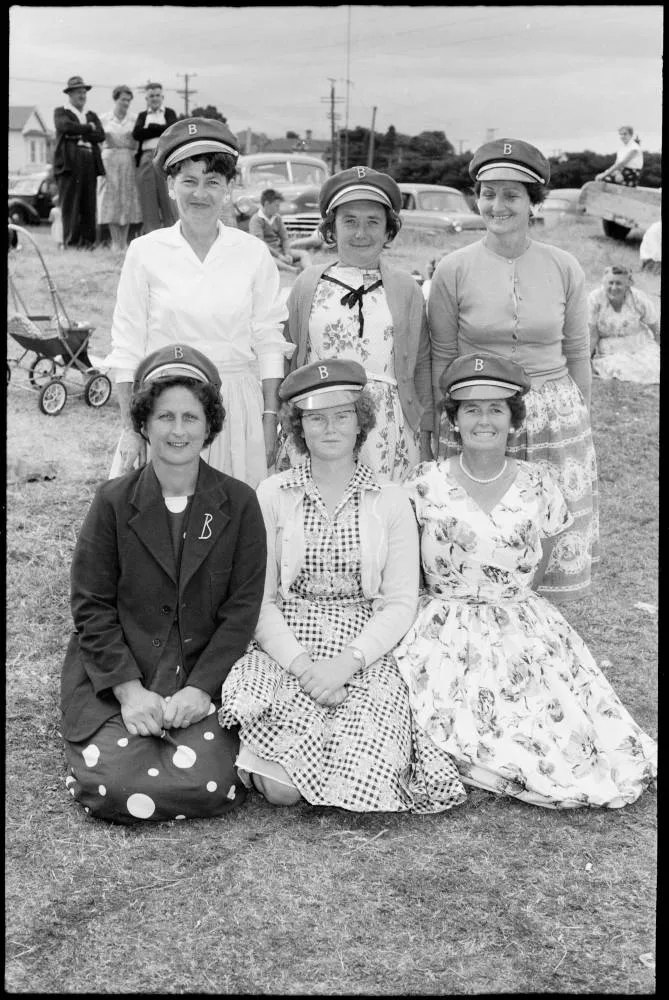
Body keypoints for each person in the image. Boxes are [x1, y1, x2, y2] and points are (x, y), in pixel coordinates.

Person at [394, 353, 657, 809]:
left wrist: (504, 603)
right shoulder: (422, 484)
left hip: (521, 623)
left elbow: (540, 563)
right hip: (441, 627)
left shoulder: (539, 482)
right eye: (470, 409)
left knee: (553, 727)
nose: (483, 420)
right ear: (453, 420)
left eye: (496, 408)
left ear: (513, 420)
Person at [218, 359, 466, 812]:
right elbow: (260, 597)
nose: (329, 428)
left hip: (362, 646)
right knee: (281, 791)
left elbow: (398, 603)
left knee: (365, 776)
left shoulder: (390, 499)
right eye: (315, 418)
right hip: (287, 643)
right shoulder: (272, 494)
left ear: (361, 423)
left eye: (342, 416)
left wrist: (344, 666)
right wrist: (304, 667)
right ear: (299, 427)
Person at [60, 344, 267, 823]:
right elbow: (90, 605)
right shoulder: (113, 501)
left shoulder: (239, 503)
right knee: (113, 783)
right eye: (165, 417)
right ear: (144, 424)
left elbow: (242, 610)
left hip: (199, 673)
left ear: (210, 425)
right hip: (123, 671)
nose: (178, 431)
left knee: (207, 784)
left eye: (191, 418)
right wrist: (130, 693)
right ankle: (118, 734)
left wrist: (201, 689)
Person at [428, 138, 598, 603]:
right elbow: (442, 354)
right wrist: (442, 420)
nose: (496, 205)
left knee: (543, 533)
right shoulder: (452, 268)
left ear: (533, 202)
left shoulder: (565, 266)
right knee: (482, 535)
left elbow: (578, 351)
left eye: (511, 194)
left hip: (551, 419)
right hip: (478, 413)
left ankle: (544, 633)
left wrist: (580, 416)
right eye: (487, 192)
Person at [105, 116, 292, 488]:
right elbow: (126, 348)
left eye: (212, 182)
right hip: (164, 409)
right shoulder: (145, 252)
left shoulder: (253, 253)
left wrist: (270, 417)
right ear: (171, 185)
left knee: (232, 524)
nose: (200, 194)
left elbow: (270, 341)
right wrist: (131, 427)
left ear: (229, 187)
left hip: (236, 409)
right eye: (188, 181)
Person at [282, 166, 434, 483]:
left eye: (372, 222)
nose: (360, 232)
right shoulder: (308, 284)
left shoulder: (407, 288)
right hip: (321, 418)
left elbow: (420, 362)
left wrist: (426, 427)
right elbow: (291, 356)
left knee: (383, 515)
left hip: (387, 426)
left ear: (388, 231)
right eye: (349, 221)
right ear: (331, 228)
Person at [53, 75, 105, 249]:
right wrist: (88, 128)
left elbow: (100, 135)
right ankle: (71, 241)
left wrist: (79, 133)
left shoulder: (91, 114)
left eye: (84, 92)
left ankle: (89, 242)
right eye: (78, 92)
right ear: (69, 94)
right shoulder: (61, 112)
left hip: (89, 159)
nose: (81, 96)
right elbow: (65, 127)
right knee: (71, 203)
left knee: (89, 202)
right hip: (70, 161)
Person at [588, 265, 660, 383]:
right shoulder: (595, 299)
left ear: (628, 284)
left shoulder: (638, 298)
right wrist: (586, 360)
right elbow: (592, 334)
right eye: (610, 283)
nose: (614, 287)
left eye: (619, 283)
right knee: (620, 368)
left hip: (640, 344)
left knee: (654, 366)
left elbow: (655, 327)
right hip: (611, 350)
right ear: (604, 283)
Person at [97, 84, 142, 253]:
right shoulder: (103, 119)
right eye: (123, 99)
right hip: (109, 160)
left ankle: (124, 242)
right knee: (111, 199)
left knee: (126, 199)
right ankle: (115, 242)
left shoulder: (135, 119)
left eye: (128, 100)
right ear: (115, 99)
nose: (126, 103)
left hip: (128, 160)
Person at [132, 82, 178, 234]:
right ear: (146, 98)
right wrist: (159, 129)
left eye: (157, 95)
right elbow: (137, 134)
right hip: (146, 159)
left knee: (168, 199)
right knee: (148, 200)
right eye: (151, 96)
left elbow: (172, 129)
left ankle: (173, 236)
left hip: (165, 157)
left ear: (162, 97)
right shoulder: (142, 116)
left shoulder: (169, 112)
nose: (155, 98)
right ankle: (152, 237)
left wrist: (151, 128)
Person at [248, 189, 311, 272]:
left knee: (304, 254)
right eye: (276, 206)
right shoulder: (256, 220)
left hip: (280, 250)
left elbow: (284, 238)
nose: (278, 209)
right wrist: (278, 256)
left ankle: (310, 270)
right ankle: (293, 270)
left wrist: (287, 253)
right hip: (266, 253)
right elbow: (261, 244)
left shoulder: (277, 218)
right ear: (267, 204)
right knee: (268, 259)